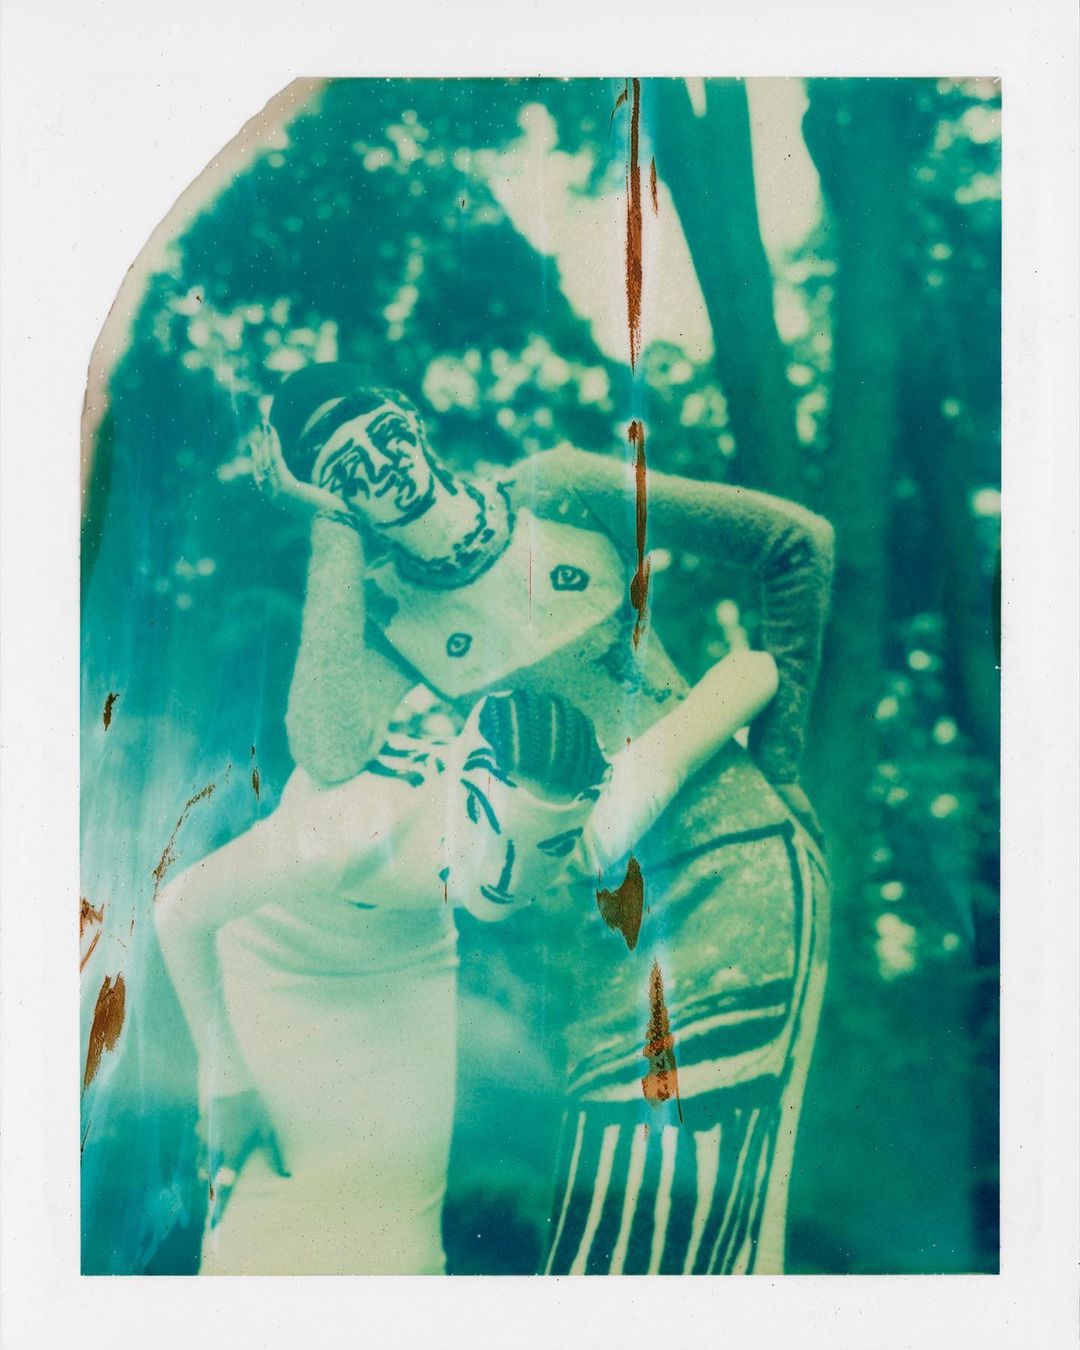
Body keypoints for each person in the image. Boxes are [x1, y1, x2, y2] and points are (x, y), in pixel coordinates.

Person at [252, 361, 835, 1275]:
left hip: (737, 864)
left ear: (410, 414)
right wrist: (330, 535)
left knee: (667, 1224)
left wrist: (782, 765)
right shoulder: (391, 612)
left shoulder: (560, 490)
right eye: (344, 471)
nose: (380, 467)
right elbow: (325, 748)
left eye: (382, 435)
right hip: (607, 931)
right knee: (632, 1232)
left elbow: (796, 543)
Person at [155, 637, 779, 1273]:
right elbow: (179, 910)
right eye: (489, 829)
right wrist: (225, 1085)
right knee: (262, 1229)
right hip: (279, 961)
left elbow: (742, 684)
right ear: (459, 794)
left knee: (402, 1248)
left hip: (410, 961)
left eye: (547, 849)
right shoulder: (354, 830)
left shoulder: (585, 828)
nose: (507, 877)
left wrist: (774, 662)